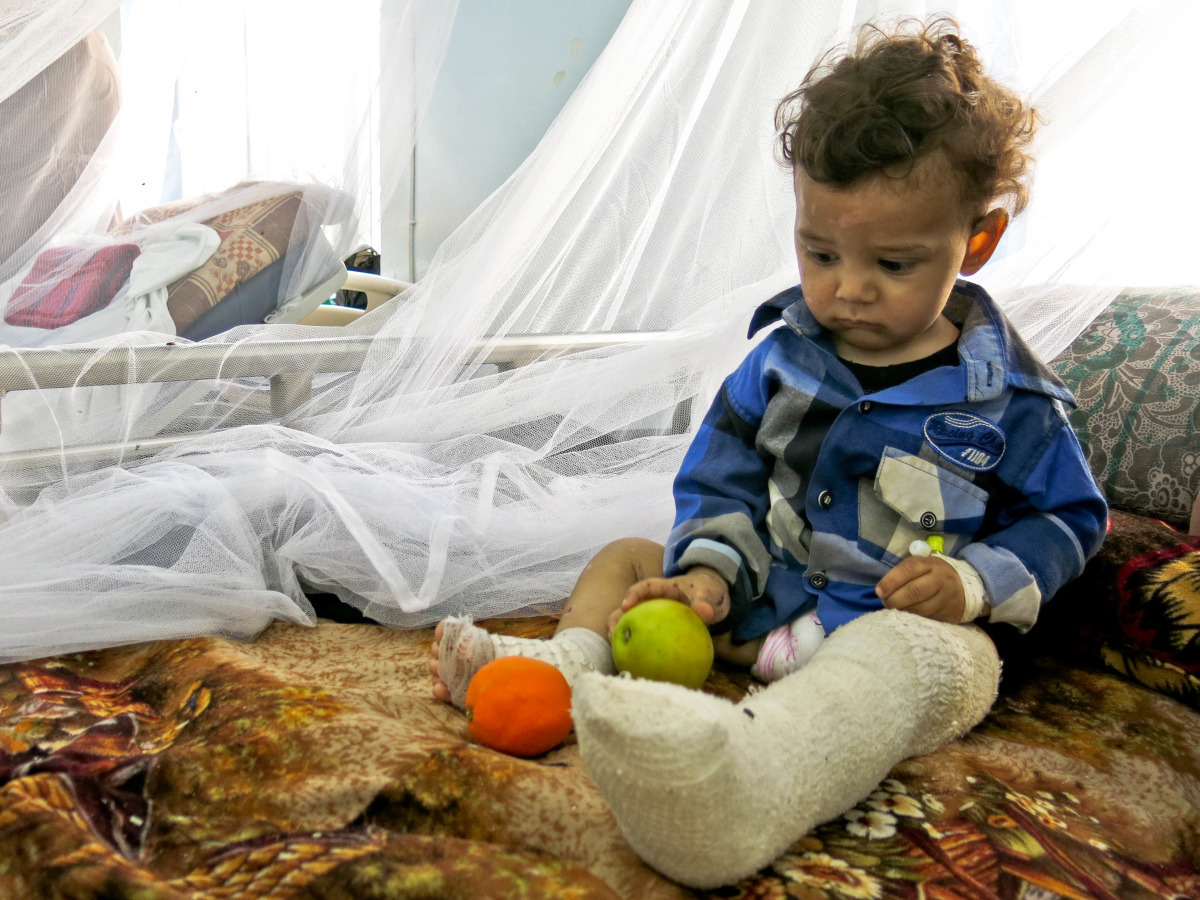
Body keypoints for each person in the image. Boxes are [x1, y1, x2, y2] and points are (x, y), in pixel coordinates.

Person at [430, 17, 1108, 888]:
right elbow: (720, 475)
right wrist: (709, 572)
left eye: (893, 264)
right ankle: (568, 671)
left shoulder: (1009, 398)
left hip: (878, 631)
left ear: (976, 241)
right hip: (752, 604)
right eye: (820, 252)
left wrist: (974, 581)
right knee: (629, 556)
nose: (847, 288)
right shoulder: (779, 358)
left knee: (944, 663)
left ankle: (761, 771)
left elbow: (1072, 517)